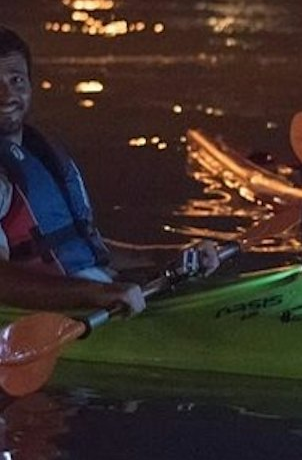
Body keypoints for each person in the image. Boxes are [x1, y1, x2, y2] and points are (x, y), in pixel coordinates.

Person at [0, 26, 220, 314]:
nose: (6, 95)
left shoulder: (35, 152)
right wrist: (95, 294)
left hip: (97, 294)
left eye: (16, 80)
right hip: (65, 314)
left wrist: (166, 255)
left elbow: (83, 248)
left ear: (30, 85)